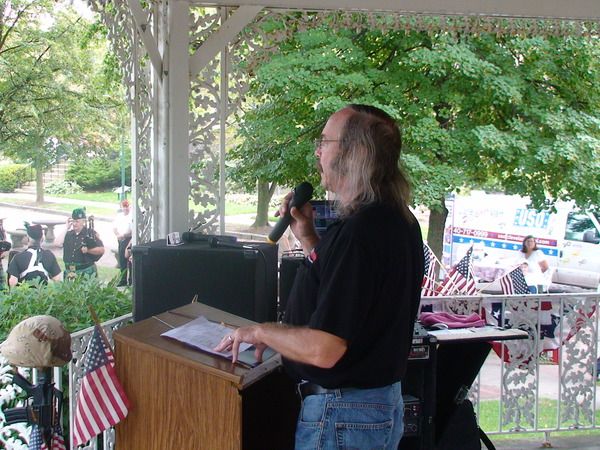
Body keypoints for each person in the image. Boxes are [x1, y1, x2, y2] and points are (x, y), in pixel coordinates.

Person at [215, 104, 424, 449]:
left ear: (355, 153)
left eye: (326, 142)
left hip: (344, 414)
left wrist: (260, 331)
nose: (318, 151)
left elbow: (325, 349)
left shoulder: (360, 233)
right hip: (370, 408)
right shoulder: (397, 220)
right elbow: (352, 294)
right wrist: (309, 238)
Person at [57, 208, 105, 280]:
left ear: (83, 222)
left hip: (86, 272)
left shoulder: (90, 234)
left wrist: (88, 250)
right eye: (73, 221)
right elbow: (57, 243)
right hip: (69, 272)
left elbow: (101, 250)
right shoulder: (68, 234)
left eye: (77, 221)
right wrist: (66, 228)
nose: (74, 224)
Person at [112, 199, 132, 286]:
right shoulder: (119, 216)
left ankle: (131, 280)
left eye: (127, 206)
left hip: (128, 239)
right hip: (120, 240)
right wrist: (118, 235)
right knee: (122, 261)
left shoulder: (131, 217)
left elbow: (132, 231)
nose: (125, 208)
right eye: (124, 207)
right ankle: (123, 280)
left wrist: (124, 235)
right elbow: (114, 228)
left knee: (130, 261)